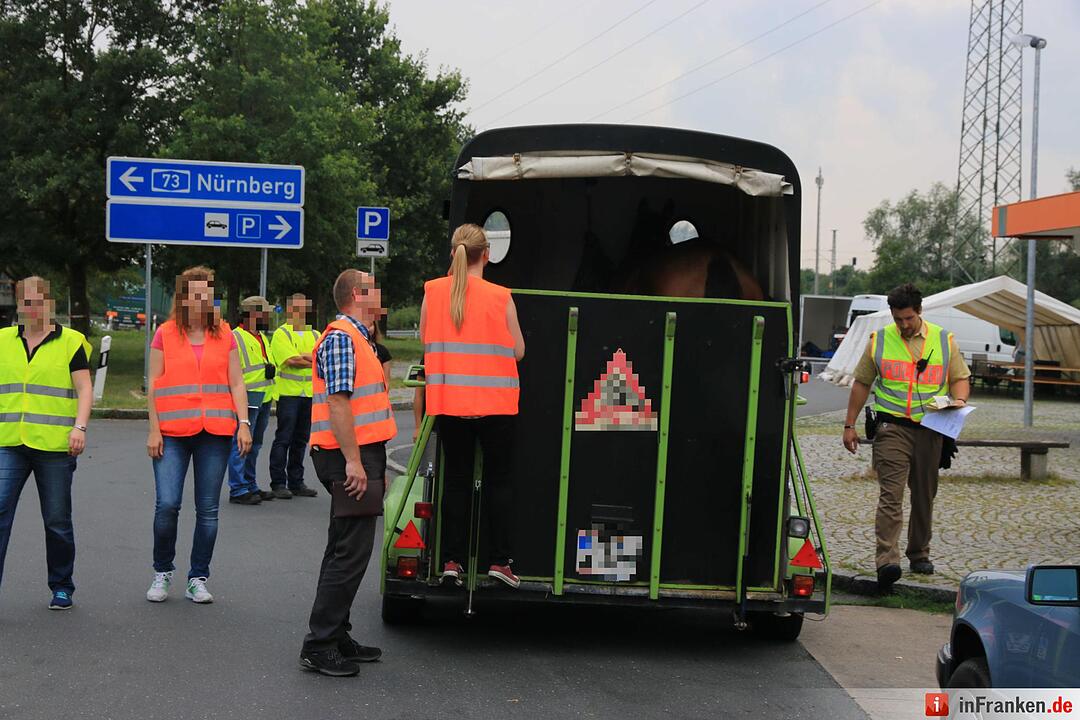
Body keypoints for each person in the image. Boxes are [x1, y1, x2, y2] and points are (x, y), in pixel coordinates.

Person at [841, 283, 971, 591]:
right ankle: (887, 560)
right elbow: (862, 383)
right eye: (898, 318)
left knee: (924, 494)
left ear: (920, 311)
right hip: (891, 428)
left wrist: (960, 401)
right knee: (891, 494)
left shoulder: (944, 340)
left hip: (931, 428)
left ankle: (919, 553)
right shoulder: (879, 340)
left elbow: (960, 378)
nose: (903, 324)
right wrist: (849, 425)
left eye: (909, 318)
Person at [299, 269, 396, 677]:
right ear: (358, 294)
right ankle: (320, 644)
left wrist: (371, 461)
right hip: (346, 456)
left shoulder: (357, 337)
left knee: (342, 546)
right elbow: (339, 403)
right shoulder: (342, 338)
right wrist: (355, 462)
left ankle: (335, 635)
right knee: (351, 553)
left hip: (356, 453)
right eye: (375, 289)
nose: (381, 295)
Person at [420, 223, 525, 589]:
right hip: (496, 407)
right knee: (499, 482)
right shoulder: (501, 296)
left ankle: (451, 561)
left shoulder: (433, 292)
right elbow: (518, 350)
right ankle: (499, 562)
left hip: (450, 404)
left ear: (454, 253)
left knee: (456, 481)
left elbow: (426, 338)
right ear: (487, 255)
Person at [145, 266, 252, 604]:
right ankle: (162, 571)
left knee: (208, 510)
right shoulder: (164, 333)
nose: (202, 298)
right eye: (195, 293)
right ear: (183, 297)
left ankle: (197, 578)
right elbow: (153, 384)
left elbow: (237, 382)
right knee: (167, 505)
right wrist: (153, 430)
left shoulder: (225, 334)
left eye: (207, 293)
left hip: (215, 432)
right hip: (172, 433)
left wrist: (244, 423)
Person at [0, 277, 92, 610]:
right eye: (27, 302)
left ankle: (62, 586)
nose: (33, 308)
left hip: (55, 446)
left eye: (39, 302)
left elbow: (84, 388)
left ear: (49, 303)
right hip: (9, 442)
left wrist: (79, 427)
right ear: (19, 304)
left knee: (56, 520)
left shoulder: (70, 342)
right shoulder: (3, 340)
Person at [269, 293, 320, 499]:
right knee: (284, 438)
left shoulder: (315, 334)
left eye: (303, 308)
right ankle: (278, 483)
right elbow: (291, 361)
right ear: (290, 310)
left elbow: (322, 358)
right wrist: (313, 359)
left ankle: (296, 482)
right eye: (296, 308)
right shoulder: (282, 334)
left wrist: (309, 359)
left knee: (301, 440)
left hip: (309, 394)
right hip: (288, 394)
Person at [227, 296, 276, 505]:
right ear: (254, 314)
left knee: (255, 445)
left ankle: (249, 484)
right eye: (265, 313)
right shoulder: (235, 337)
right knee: (241, 444)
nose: (268, 317)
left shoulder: (261, 336)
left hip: (264, 396)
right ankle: (238, 488)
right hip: (247, 397)